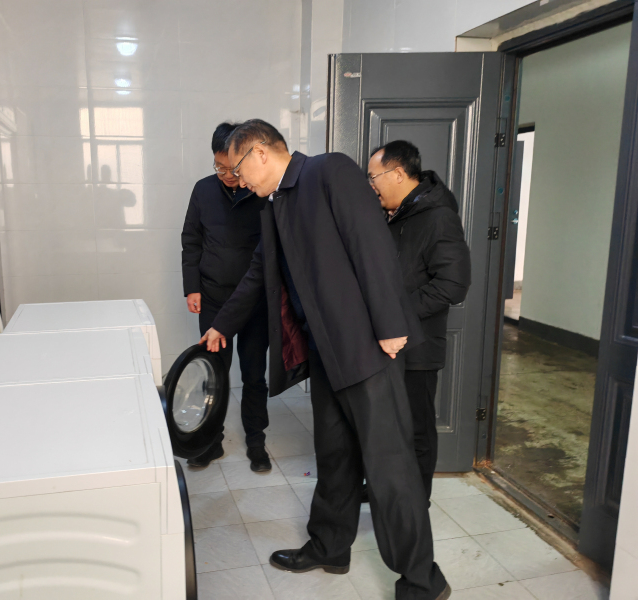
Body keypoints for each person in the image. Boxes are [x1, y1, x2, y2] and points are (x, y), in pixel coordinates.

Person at [200, 120, 451, 600]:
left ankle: (423, 580)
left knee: (389, 469)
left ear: (260, 153)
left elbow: (370, 244)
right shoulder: (275, 205)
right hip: (326, 355)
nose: (238, 180)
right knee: (334, 456)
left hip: (367, 349)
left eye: (238, 169)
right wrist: (222, 325)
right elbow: (259, 272)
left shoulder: (328, 171)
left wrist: (391, 324)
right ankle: (330, 546)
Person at [368, 141, 472, 500]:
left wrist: (394, 315)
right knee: (387, 426)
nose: (371, 185)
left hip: (417, 347)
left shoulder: (437, 217)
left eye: (374, 177)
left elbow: (453, 284)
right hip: (386, 343)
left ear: (398, 174)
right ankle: (388, 491)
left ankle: (415, 501)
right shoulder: (394, 215)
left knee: (416, 429)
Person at [181, 122, 272, 472]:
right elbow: (191, 240)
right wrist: (192, 286)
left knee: (254, 374)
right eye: (219, 167)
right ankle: (211, 442)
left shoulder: (261, 192)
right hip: (214, 298)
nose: (227, 175)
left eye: (232, 168)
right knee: (213, 373)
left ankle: (256, 441)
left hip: (254, 302)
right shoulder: (203, 190)